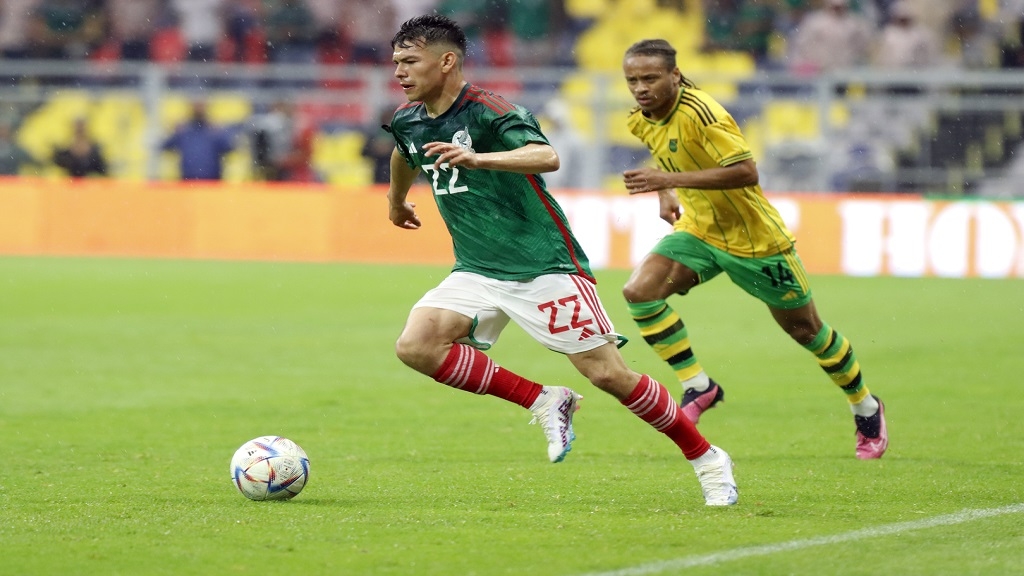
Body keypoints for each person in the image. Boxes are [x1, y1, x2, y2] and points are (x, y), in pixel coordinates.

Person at [383, 14, 738, 506]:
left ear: (446, 62)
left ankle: (707, 459)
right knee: (417, 345)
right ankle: (544, 398)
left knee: (609, 375)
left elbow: (545, 156)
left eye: (409, 62)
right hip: (477, 269)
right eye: (396, 61)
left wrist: (480, 158)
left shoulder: (490, 111)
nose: (399, 72)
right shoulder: (409, 118)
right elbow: (404, 151)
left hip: (543, 265)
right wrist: (397, 200)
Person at [619, 39, 888, 460]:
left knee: (807, 332)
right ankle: (698, 386)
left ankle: (866, 406)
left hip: (756, 241)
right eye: (632, 79)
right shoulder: (641, 119)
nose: (640, 87)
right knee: (639, 293)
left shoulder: (705, 115)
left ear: (674, 75)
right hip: (701, 230)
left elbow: (745, 172)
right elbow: (664, 158)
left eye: (650, 78)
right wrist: (664, 192)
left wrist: (669, 182)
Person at [161, 101, 239, 181]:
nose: (199, 109)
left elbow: (230, 147)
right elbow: (164, 146)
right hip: (187, 181)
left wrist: (222, 132)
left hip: (212, 181)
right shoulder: (184, 131)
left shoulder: (213, 131)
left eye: (201, 106)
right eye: (197, 106)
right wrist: (173, 131)